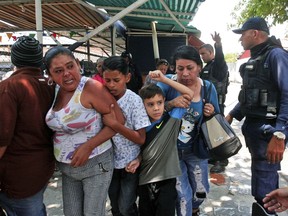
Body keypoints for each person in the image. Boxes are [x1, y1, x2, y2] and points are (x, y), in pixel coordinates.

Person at [44, 46, 124, 216]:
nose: (66, 73)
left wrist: (88, 146)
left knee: (92, 214)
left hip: (96, 164)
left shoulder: (91, 87)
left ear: (77, 64)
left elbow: (118, 121)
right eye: (58, 71)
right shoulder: (56, 90)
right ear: (50, 75)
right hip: (68, 169)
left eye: (70, 66)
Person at [226, 17, 288, 216]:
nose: (240, 39)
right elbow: (250, 95)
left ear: (255, 33)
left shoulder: (276, 56)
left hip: (269, 132)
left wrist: (279, 134)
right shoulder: (256, 59)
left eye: (243, 34)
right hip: (256, 132)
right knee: (260, 190)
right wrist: (231, 115)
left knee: (267, 194)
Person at [159, 45, 220, 216]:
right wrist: (171, 104)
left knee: (201, 190)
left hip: (197, 150)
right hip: (171, 152)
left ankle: (194, 209)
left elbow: (217, 115)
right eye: (180, 68)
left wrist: (211, 112)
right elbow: (149, 109)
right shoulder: (167, 85)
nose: (185, 73)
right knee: (182, 194)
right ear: (174, 68)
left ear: (199, 67)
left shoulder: (208, 88)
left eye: (190, 68)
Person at [0, 36, 55, 215]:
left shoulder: (9, 87)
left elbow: (3, 136)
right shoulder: (51, 84)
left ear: (14, 60)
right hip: (42, 166)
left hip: (18, 172)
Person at [137, 70, 194, 216]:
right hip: (145, 180)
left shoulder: (172, 119)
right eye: (150, 104)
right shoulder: (139, 125)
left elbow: (189, 95)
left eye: (159, 103)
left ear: (164, 101)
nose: (156, 108)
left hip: (167, 179)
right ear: (142, 106)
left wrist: (164, 79)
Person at [101, 56, 150, 216]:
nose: (111, 85)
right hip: (110, 162)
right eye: (107, 80)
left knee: (125, 206)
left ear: (127, 77)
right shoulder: (102, 98)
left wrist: (115, 125)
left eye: (116, 80)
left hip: (130, 163)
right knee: (115, 204)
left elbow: (141, 138)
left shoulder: (134, 101)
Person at [199, 32, 230, 174]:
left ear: (211, 53)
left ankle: (222, 160)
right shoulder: (207, 67)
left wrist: (218, 45)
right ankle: (214, 156)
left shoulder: (218, 66)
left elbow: (220, 59)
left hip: (217, 105)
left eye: (204, 54)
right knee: (210, 132)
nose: (202, 57)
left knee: (219, 133)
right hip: (208, 105)